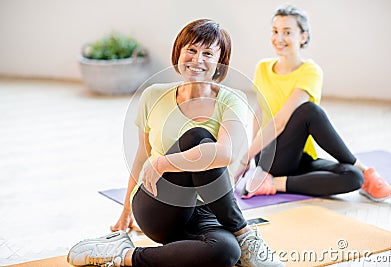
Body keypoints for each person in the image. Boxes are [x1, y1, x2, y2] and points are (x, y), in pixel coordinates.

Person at [67, 19, 284, 267]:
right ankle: (245, 234)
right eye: (191, 50)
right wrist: (126, 211)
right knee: (198, 137)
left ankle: (122, 256)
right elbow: (141, 157)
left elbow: (224, 154)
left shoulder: (233, 99)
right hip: (159, 204)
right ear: (178, 52)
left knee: (225, 252)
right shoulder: (153, 95)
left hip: (208, 211)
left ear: (219, 63)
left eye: (208, 53)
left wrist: (162, 162)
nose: (197, 59)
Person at [234, 5, 391, 202]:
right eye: (275, 31)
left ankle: (274, 184)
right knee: (309, 111)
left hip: (300, 156)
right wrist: (250, 159)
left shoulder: (310, 71)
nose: (279, 38)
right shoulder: (263, 68)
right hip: (272, 155)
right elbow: (262, 113)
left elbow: (284, 120)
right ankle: (366, 170)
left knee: (353, 176)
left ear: (303, 36)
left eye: (287, 32)